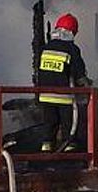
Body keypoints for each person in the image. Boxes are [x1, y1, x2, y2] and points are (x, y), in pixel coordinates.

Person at [36, 13, 91, 152]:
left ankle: (46, 149)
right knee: (70, 126)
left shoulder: (45, 48)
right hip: (65, 97)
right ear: (72, 32)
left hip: (45, 95)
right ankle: (70, 150)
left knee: (49, 125)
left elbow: (40, 71)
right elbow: (79, 74)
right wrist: (86, 86)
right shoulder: (71, 49)